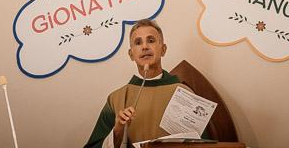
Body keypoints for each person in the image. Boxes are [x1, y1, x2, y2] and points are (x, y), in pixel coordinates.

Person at [83, 19, 205, 148]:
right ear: (131, 54)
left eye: (151, 41)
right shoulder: (116, 99)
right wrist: (117, 131)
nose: (145, 47)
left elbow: (204, 143)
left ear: (163, 49)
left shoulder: (184, 93)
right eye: (138, 42)